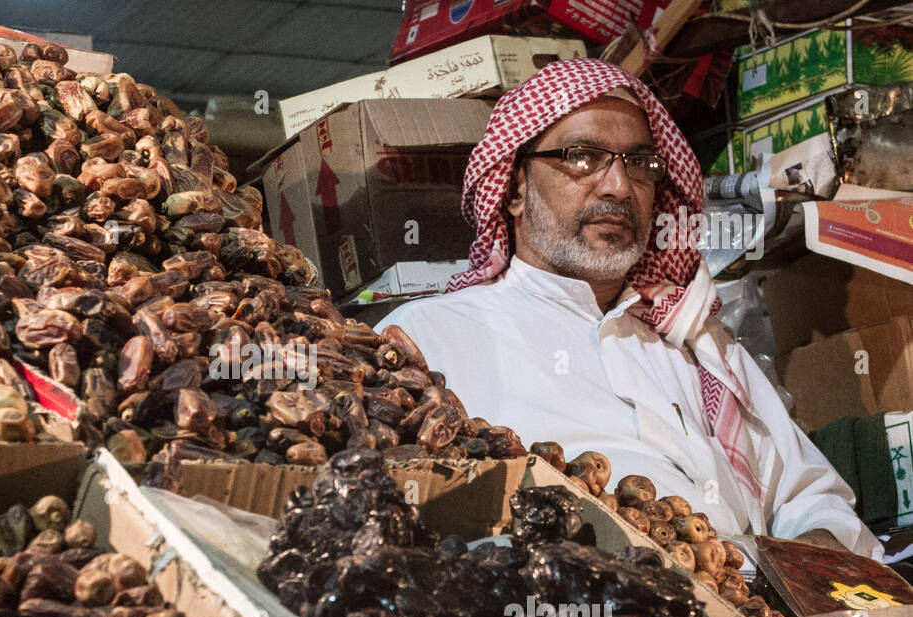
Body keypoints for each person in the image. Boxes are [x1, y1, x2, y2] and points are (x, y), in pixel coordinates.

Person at [375, 59, 882, 560]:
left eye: (639, 163)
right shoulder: (429, 337)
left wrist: (811, 563)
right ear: (514, 189)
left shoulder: (699, 348)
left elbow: (811, 496)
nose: (619, 186)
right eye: (582, 156)